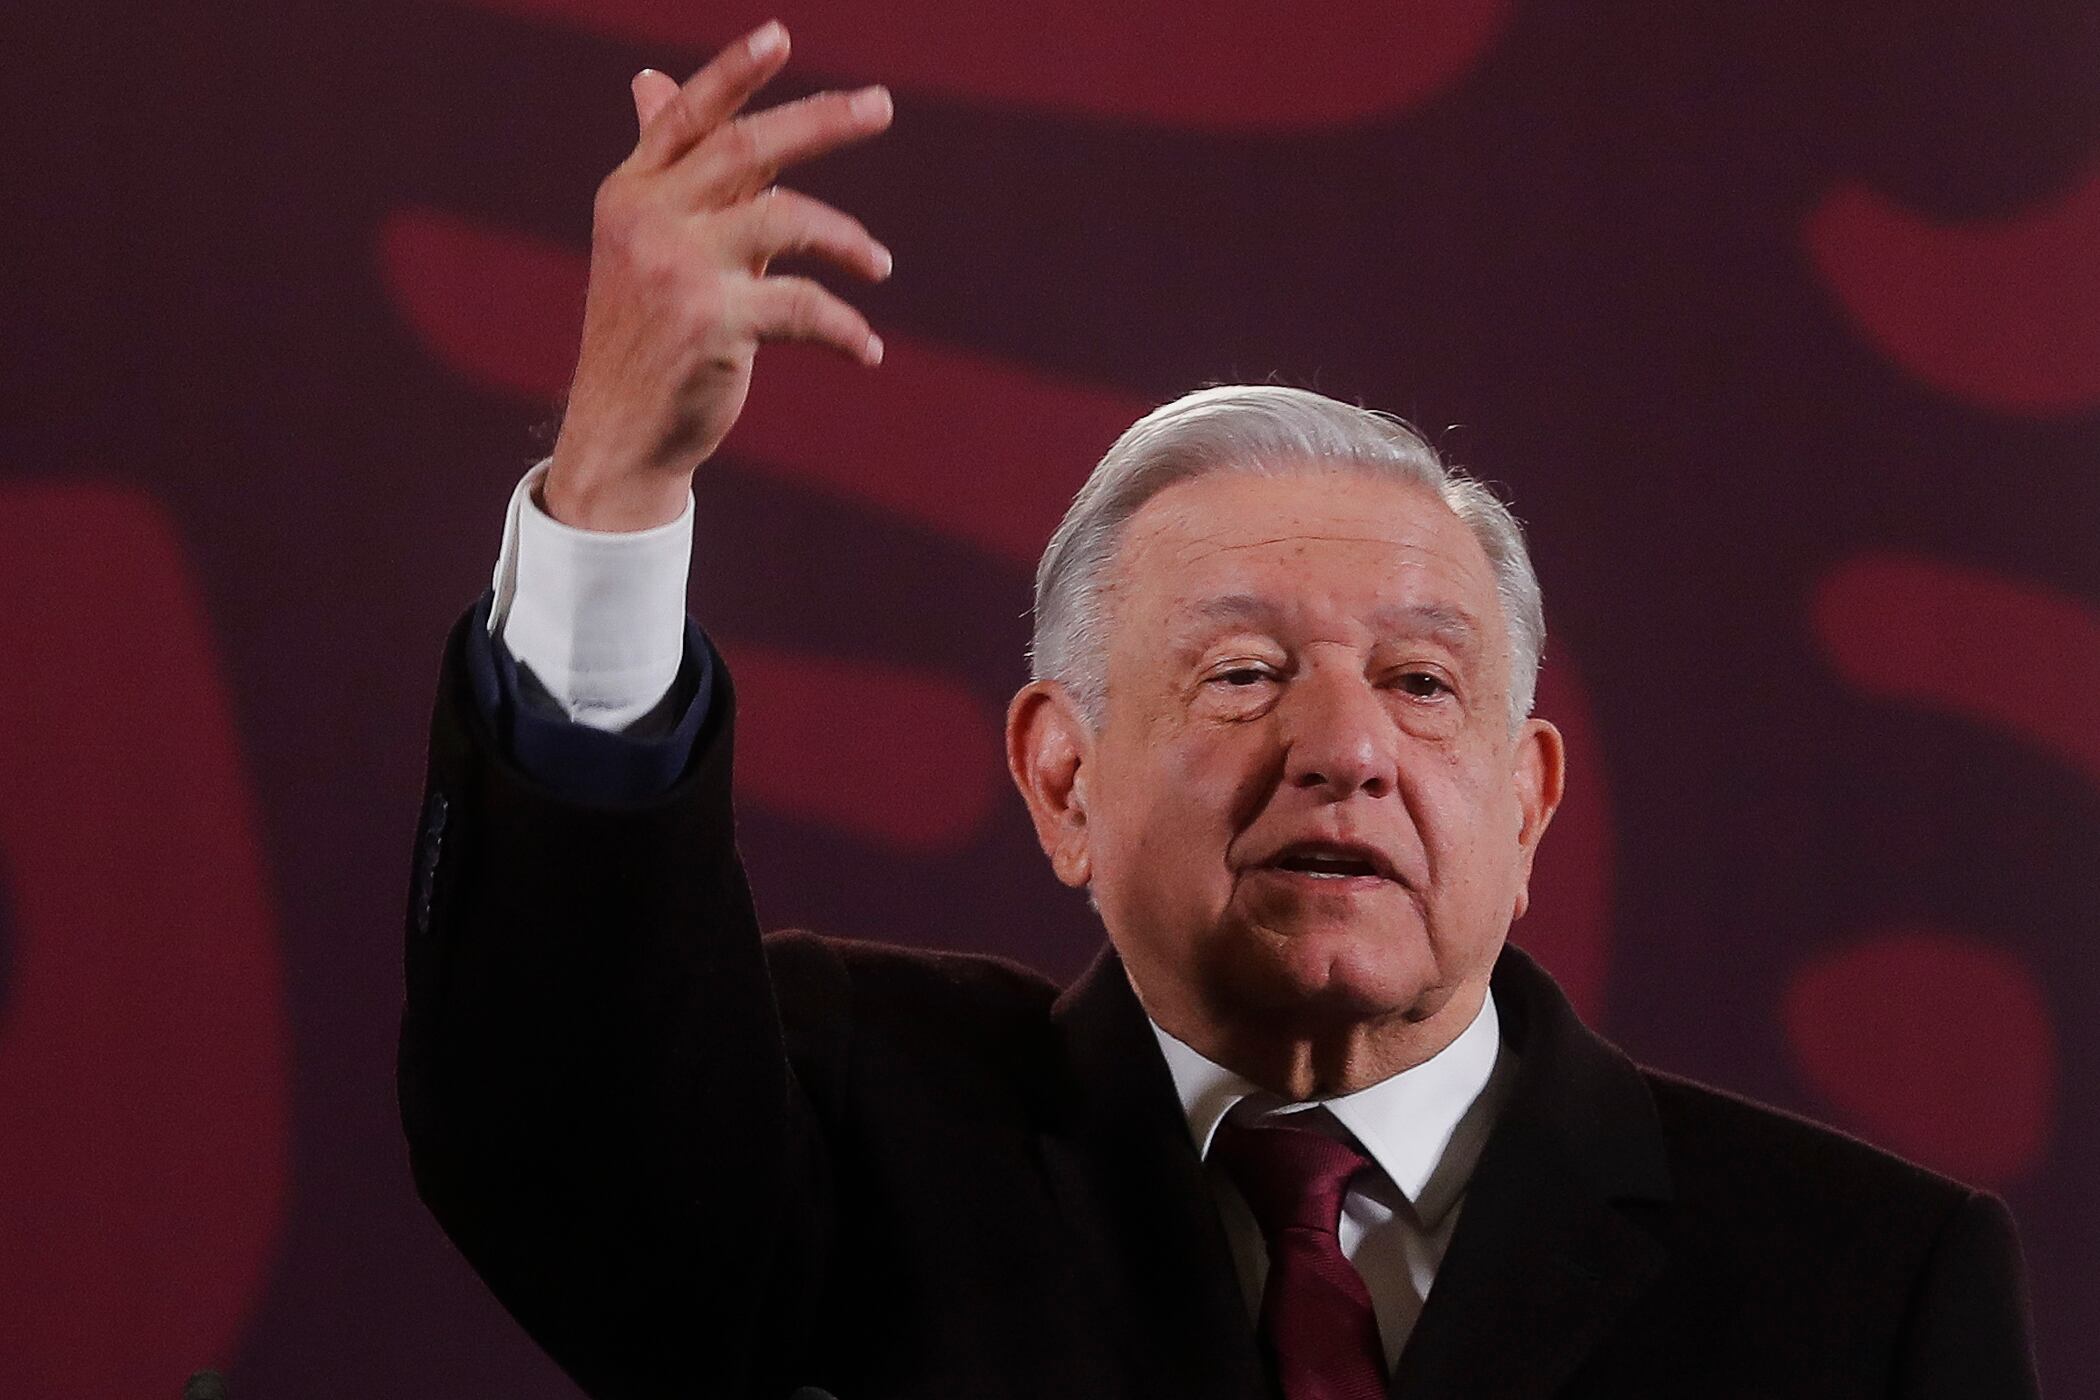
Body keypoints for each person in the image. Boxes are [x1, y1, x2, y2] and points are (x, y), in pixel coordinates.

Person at [398, 22, 2042, 1399]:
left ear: (1532, 800)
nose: (1342, 748)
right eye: (1244, 675)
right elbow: (564, 1118)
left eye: (1420, 682)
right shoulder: (850, 1138)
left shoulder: (1868, 1289)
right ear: (1060, 779)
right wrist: (616, 484)